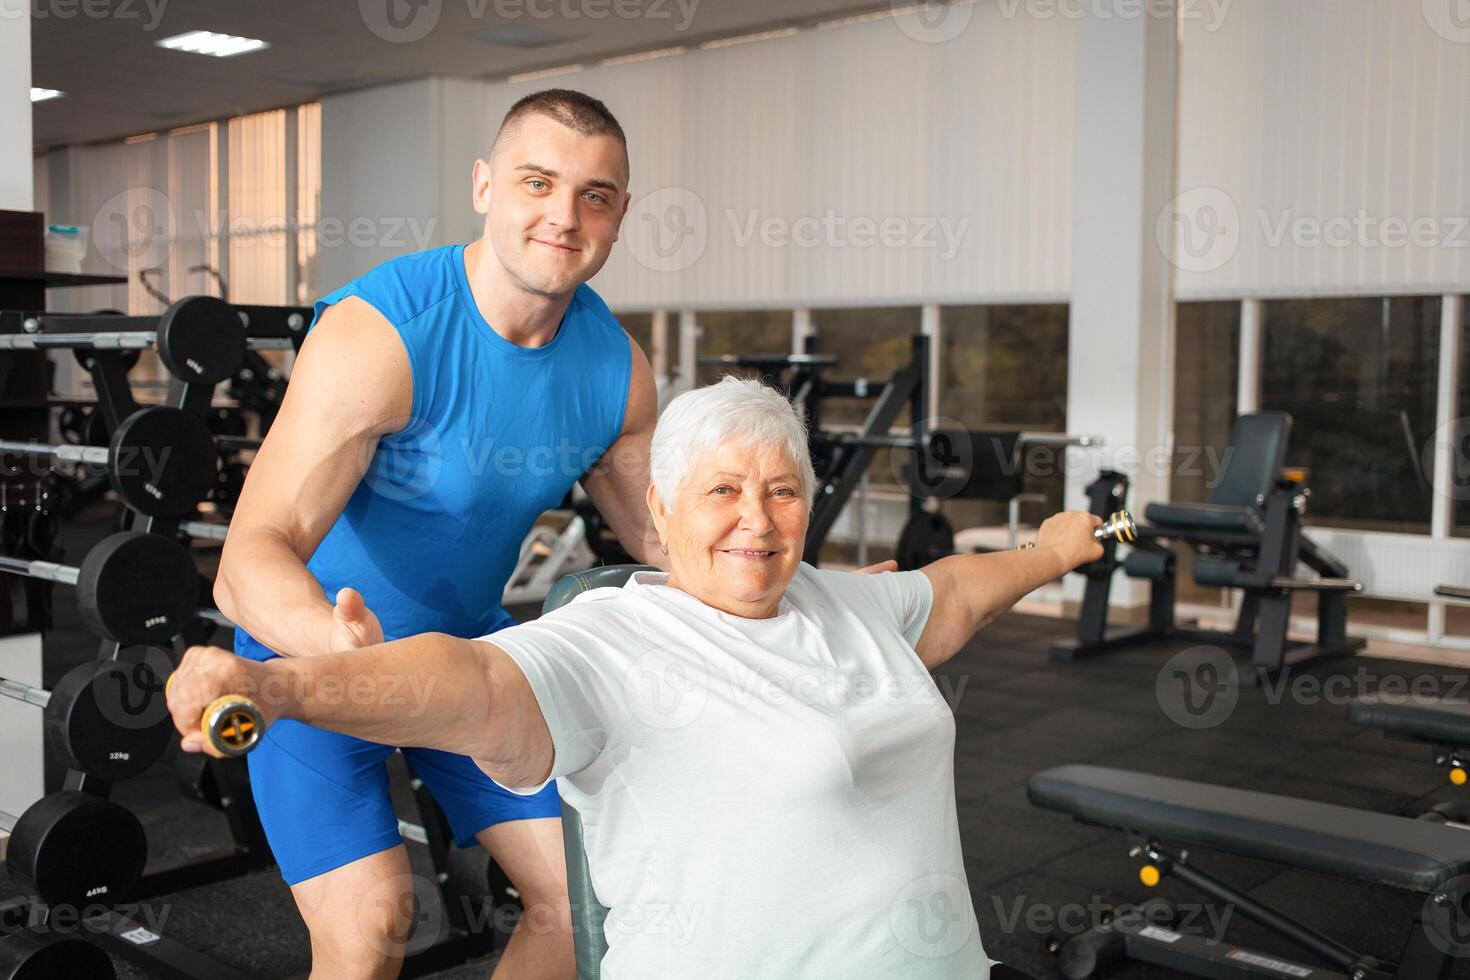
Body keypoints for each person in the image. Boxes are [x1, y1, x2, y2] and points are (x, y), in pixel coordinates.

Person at [176, 376, 1102, 980]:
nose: (758, 517)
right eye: (722, 490)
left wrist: (1052, 550)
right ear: (658, 507)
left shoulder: (846, 603)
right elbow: (470, 683)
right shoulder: (612, 640)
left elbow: (954, 596)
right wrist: (279, 690)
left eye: (782, 490)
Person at [213, 89, 663, 979]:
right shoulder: (383, 333)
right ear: (486, 186)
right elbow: (246, 561)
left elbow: (667, 540)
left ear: (618, 217)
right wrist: (332, 646)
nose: (565, 217)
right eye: (539, 182)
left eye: (596, 195)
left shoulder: (614, 367)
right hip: (318, 661)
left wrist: (815, 588)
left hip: (468, 665)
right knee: (376, 926)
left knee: (585, 905)